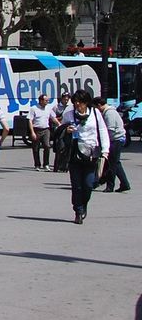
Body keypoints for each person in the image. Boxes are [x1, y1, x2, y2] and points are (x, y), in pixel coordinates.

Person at [66, 89, 110, 224]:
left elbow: (102, 130)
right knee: (76, 186)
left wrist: (105, 150)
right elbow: (60, 130)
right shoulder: (69, 114)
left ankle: (84, 204)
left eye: (80, 103)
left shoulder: (95, 113)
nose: (77, 105)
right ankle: (78, 210)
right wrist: (66, 130)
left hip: (91, 154)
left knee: (88, 184)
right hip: (75, 154)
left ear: (86, 102)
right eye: (75, 103)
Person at [98, 96, 130, 193]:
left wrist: (104, 141)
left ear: (99, 105)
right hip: (116, 139)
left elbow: (110, 130)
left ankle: (110, 186)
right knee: (115, 163)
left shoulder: (109, 113)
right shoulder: (109, 112)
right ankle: (124, 184)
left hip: (115, 140)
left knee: (112, 164)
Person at [27, 93, 53, 171]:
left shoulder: (48, 108)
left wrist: (59, 123)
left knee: (47, 146)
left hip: (46, 129)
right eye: (46, 100)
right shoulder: (33, 108)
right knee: (36, 148)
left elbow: (53, 117)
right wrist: (32, 132)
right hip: (36, 129)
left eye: (48, 101)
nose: (47, 102)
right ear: (41, 101)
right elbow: (30, 120)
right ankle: (37, 164)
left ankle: (46, 164)